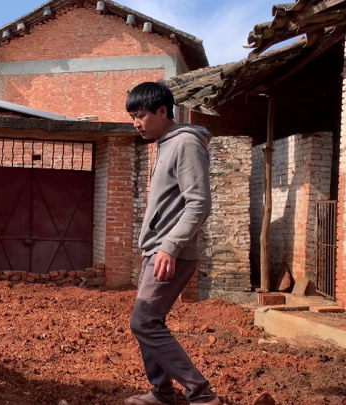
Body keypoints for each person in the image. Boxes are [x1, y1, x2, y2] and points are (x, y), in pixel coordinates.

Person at [124, 81, 219, 405]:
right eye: (132, 117)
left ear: (162, 111)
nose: (136, 123)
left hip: (170, 253)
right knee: (149, 322)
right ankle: (161, 393)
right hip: (157, 250)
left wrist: (170, 246)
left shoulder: (187, 144)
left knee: (144, 321)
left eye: (140, 116)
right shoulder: (165, 143)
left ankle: (201, 394)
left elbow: (199, 203)